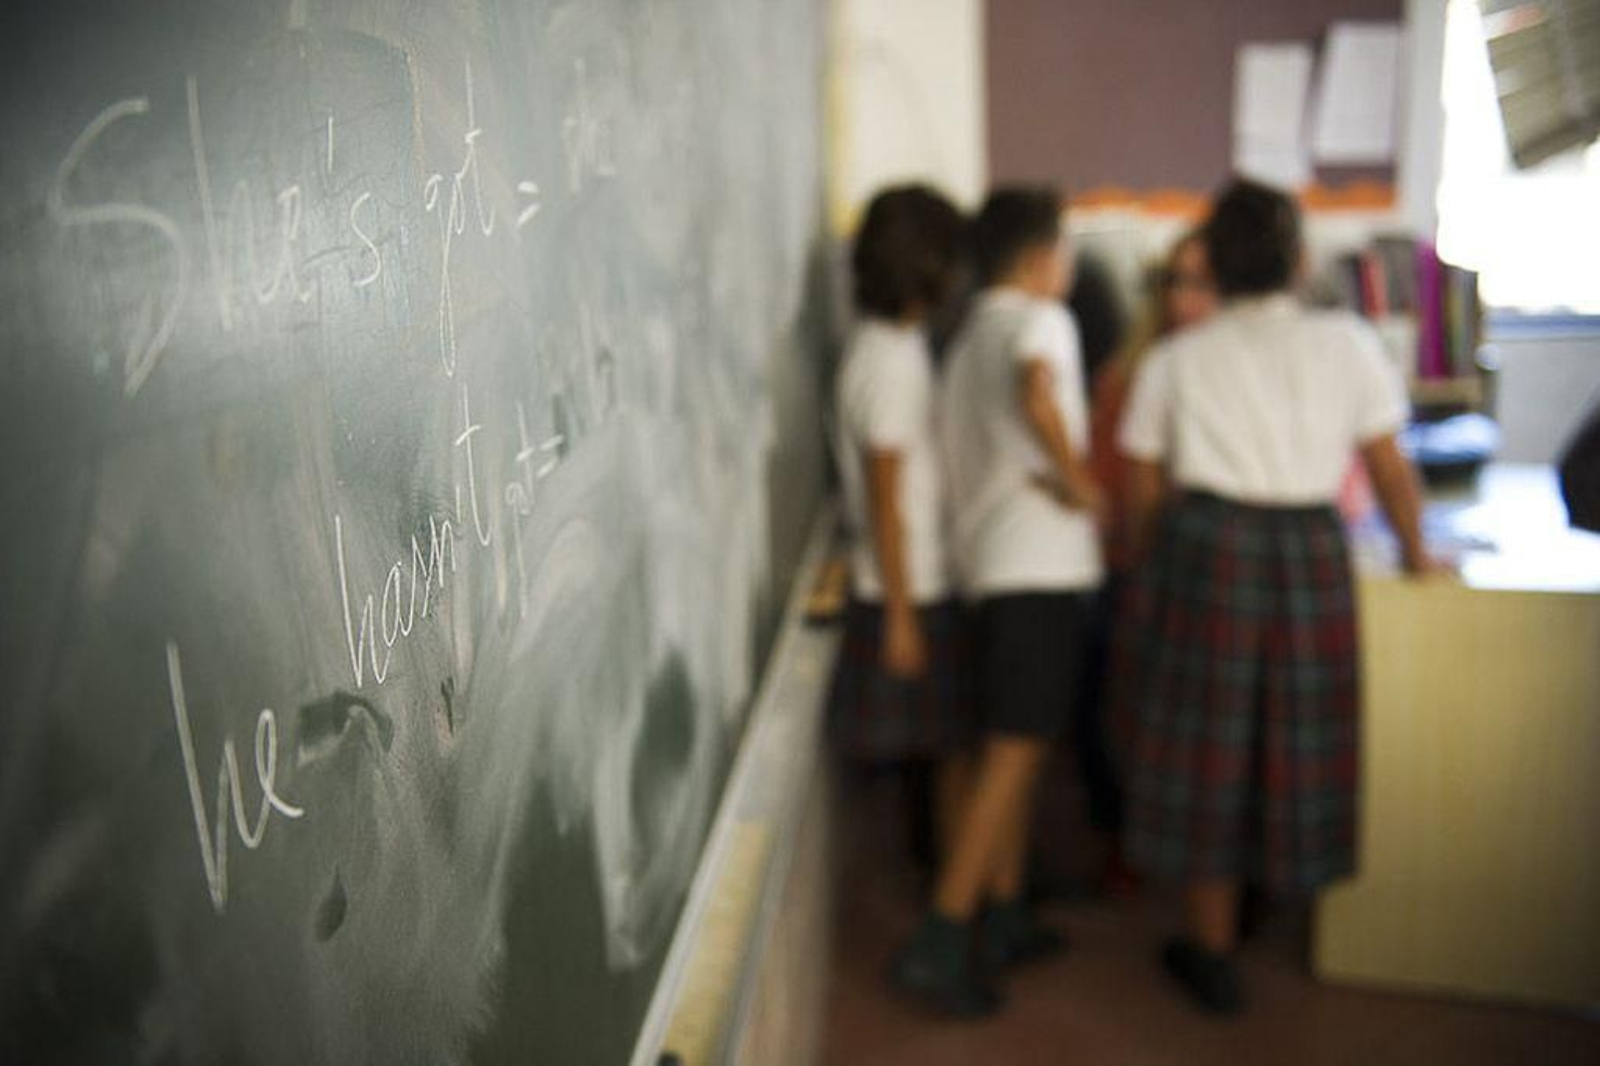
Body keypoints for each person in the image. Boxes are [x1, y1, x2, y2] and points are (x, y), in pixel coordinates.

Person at [1117, 179, 1437, 1017]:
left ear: (1213, 264)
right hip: (1306, 553)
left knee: (1208, 750)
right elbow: (1388, 465)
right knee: (1294, 738)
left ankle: (1212, 946)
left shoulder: (1175, 359)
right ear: (1298, 260)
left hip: (1207, 551)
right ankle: (1272, 902)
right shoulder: (1347, 342)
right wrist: (1417, 554)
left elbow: (1143, 489)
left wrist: (1151, 563)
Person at [891, 187, 1105, 1016]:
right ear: (1042, 253)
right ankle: (940, 939)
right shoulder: (1040, 321)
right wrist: (1084, 487)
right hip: (1038, 571)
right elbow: (1038, 392)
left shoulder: (965, 333)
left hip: (989, 566)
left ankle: (1007, 914)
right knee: (1014, 754)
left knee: (1016, 744)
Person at [825, 185, 973, 879]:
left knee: (944, 753)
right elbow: (886, 497)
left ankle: (947, 879)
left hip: (908, 579)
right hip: (904, 585)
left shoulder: (891, 345)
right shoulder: (887, 361)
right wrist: (905, 617)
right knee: (947, 752)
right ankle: (951, 891)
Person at [1080, 229, 1218, 897]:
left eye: (1205, 284)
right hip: (1135, 568)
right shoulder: (1130, 375)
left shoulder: (1235, 372)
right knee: (1126, 717)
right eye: (1178, 283)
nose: (1188, 300)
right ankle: (1128, 843)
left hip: (1210, 574)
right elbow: (1112, 488)